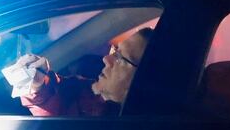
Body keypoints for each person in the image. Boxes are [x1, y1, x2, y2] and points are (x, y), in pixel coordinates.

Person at [18, 27, 153, 115]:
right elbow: (58, 93)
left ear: (142, 80)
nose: (107, 59)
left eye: (120, 58)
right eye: (115, 50)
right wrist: (38, 84)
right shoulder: (86, 92)